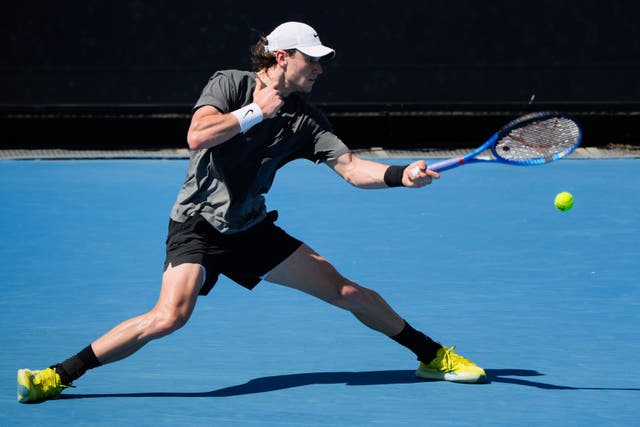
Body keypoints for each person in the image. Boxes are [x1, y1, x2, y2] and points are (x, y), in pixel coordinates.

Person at [17, 21, 486, 403]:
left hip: (250, 228)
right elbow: (198, 136)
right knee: (169, 316)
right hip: (197, 224)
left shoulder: (306, 119)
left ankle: (432, 355)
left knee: (347, 291)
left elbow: (351, 168)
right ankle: (58, 375)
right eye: (312, 59)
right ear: (282, 57)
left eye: (323, 60)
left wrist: (400, 175)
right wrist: (253, 113)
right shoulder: (231, 84)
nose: (320, 68)